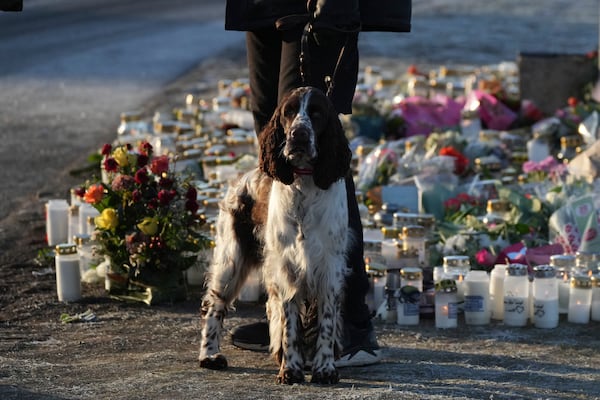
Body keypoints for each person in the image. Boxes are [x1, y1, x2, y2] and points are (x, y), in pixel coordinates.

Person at [223, 0, 411, 367]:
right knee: (274, 138)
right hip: (263, 6)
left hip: (318, 5)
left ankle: (350, 321)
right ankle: (289, 314)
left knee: (320, 144)